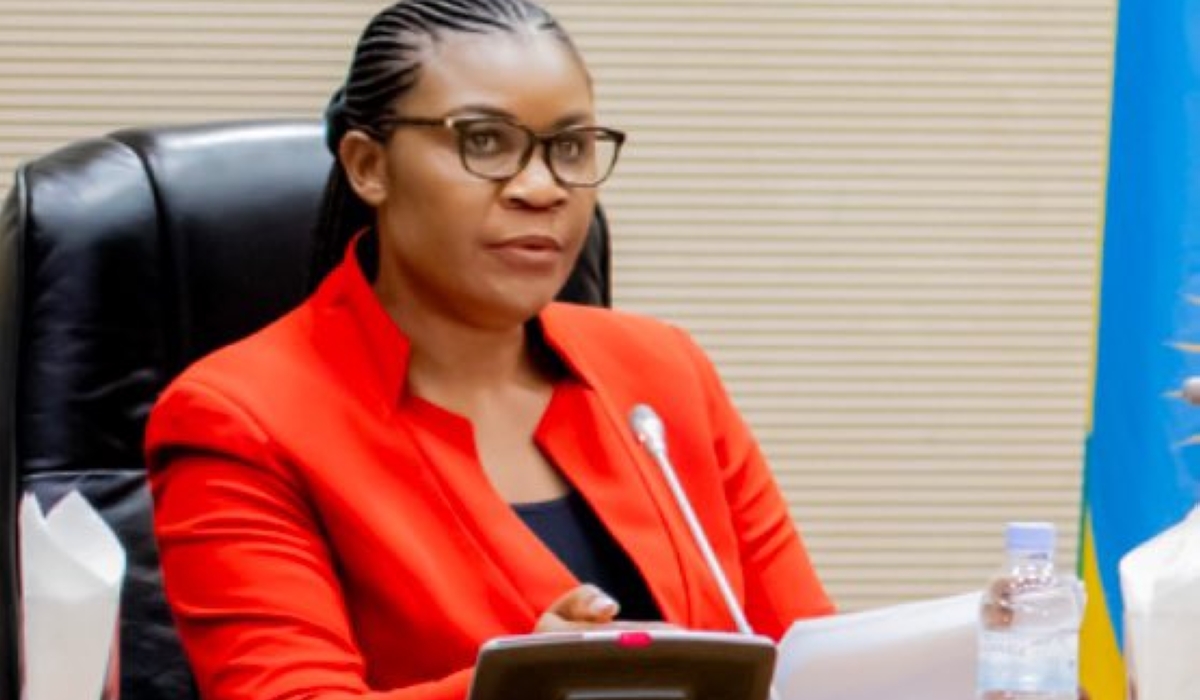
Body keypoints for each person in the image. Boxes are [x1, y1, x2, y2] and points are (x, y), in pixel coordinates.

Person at [144, 1, 835, 698]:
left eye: (570, 149)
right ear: (368, 166)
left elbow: (814, 664)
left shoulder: (661, 372)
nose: (542, 189)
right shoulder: (239, 420)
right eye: (484, 141)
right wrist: (514, 688)